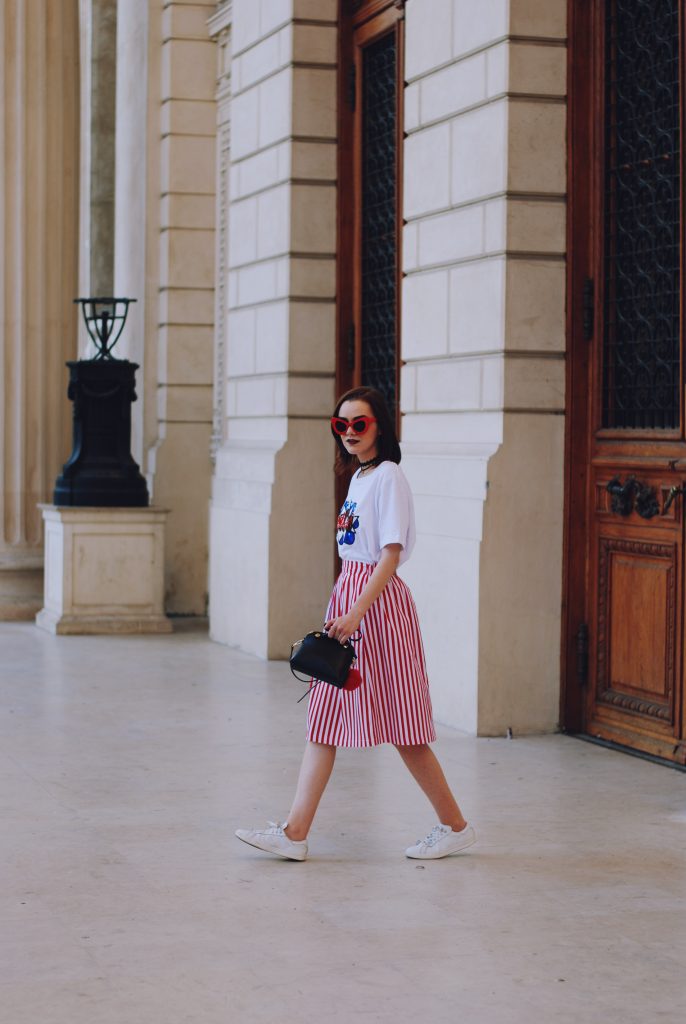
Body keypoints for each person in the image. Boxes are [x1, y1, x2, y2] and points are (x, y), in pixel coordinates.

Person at [236, 386, 476, 862]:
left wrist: (356, 612)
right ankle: (295, 832)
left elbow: (389, 556)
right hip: (353, 598)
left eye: (359, 424)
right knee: (324, 714)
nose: (348, 432)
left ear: (379, 427)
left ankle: (455, 826)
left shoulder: (388, 477)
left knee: (403, 723)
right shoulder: (359, 478)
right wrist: (343, 605)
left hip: (377, 608)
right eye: (340, 425)